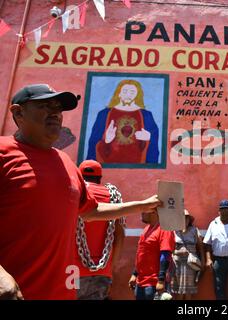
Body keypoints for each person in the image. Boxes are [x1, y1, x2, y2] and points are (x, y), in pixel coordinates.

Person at [0, 84, 162, 300]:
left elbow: (90, 210)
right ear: (18, 112)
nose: (55, 113)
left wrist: (142, 205)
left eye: (58, 108)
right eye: (44, 106)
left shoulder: (66, 163)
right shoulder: (3, 154)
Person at [75, 160, 125, 300]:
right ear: (100, 178)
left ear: (79, 175)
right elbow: (120, 236)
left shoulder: (73, 193)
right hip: (103, 271)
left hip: (71, 270)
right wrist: (110, 268)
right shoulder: (113, 197)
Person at [87, 79, 159, 164]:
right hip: (109, 164)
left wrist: (149, 138)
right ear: (119, 94)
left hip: (137, 163)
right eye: (125, 91)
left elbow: (154, 139)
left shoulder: (146, 115)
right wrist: (105, 140)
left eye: (132, 92)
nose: (128, 95)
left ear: (137, 95)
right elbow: (93, 142)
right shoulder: (104, 114)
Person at [128, 210, 175, 300]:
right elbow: (141, 254)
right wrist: (135, 274)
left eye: (144, 210)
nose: (141, 212)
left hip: (154, 284)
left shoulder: (164, 229)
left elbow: (165, 255)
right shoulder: (146, 229)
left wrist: (161, 280)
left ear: (154, 212)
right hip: (140, 282)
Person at [171, 209, 206, 300]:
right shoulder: (174, 231)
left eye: (186, 218)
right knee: (178, 291)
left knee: (188, 291)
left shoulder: (194, 230)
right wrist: (176, 252)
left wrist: (203, 261)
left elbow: (201, 247)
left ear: (189, 220)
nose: (185, 220)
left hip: (190, 264)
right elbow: (170, 248)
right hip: (177, 263)